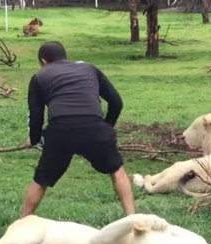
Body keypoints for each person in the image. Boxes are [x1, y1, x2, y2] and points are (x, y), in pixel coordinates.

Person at [19, 41, 135, 218]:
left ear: (43, 61)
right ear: (65, 56)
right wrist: (106, 127)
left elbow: (36, 116)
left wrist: (34, 139)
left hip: (60, 130)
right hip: (94, 127)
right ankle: (132, 218)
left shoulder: (39, 77)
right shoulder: (89, 69)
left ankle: (21, 223)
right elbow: (116, 102)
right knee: (117, 170)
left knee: (40, 180)